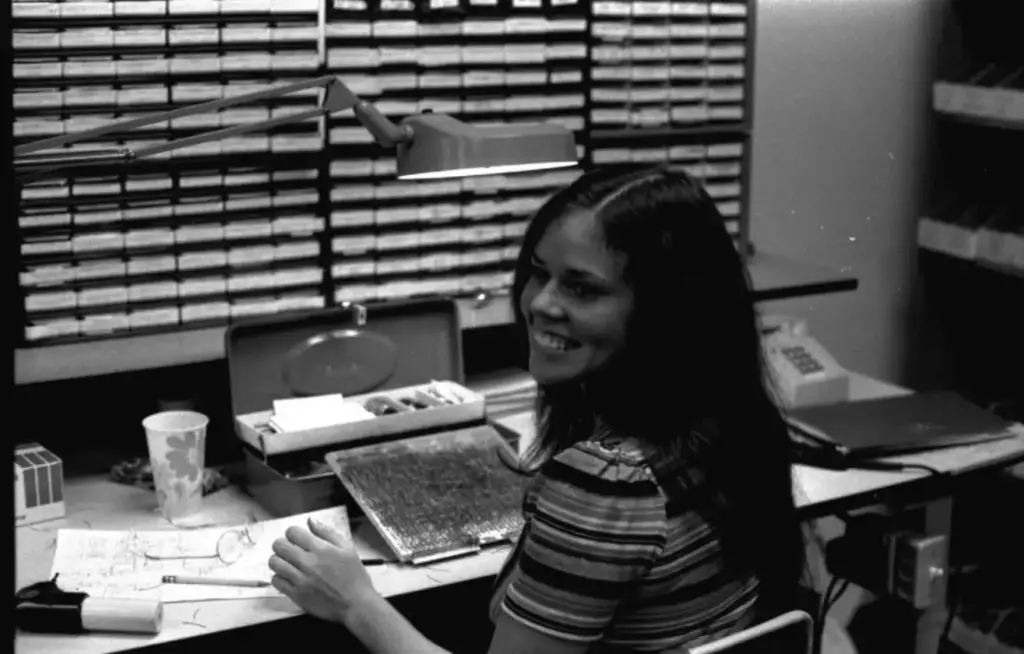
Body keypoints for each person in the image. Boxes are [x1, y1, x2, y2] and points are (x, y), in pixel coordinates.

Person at [268, 165, 807, 653]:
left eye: (582, 289)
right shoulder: (730, 425)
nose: (542, 302)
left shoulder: (607, 483)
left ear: (664, 313)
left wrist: (355, 603)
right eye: (538, 272)